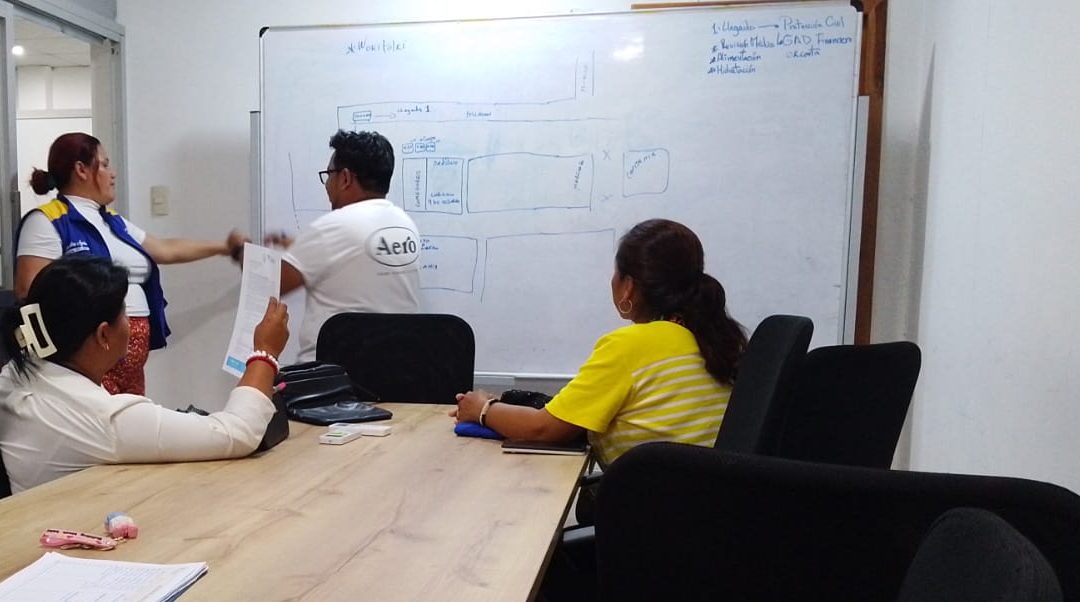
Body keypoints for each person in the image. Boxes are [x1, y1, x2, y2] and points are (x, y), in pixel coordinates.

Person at [452, 218, 747, 468]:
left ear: (628, 286)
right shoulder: (715, 337)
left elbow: (542, 428)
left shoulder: (632, 345)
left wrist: (483, 408)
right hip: (708, 502)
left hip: (654, 506)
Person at [0, 255, 289, 492]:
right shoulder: (103, 418)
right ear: (104, 335)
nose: (131, 324)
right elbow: (239, 433)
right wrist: (265, 352)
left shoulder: (15, 373)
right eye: (125, 313)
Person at [16, 132, 247, 396]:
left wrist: (224, 247)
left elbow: (165, 249)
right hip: (88, 357)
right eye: (104, 165)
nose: (112, 174)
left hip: (130, 361)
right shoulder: (46, 220)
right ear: (81, 169)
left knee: (130, 420)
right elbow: (28, 291)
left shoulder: (113, 222)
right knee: (99, 420)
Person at [269, 130, 423, 362]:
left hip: (329, 375)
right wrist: (302, 249)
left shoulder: (332, 228)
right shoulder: (405, 225)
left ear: (345, 178)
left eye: (329, 175)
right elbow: (355, 263)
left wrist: (238, 251)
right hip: (395, 371)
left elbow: (272, 284)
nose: (327, 185)